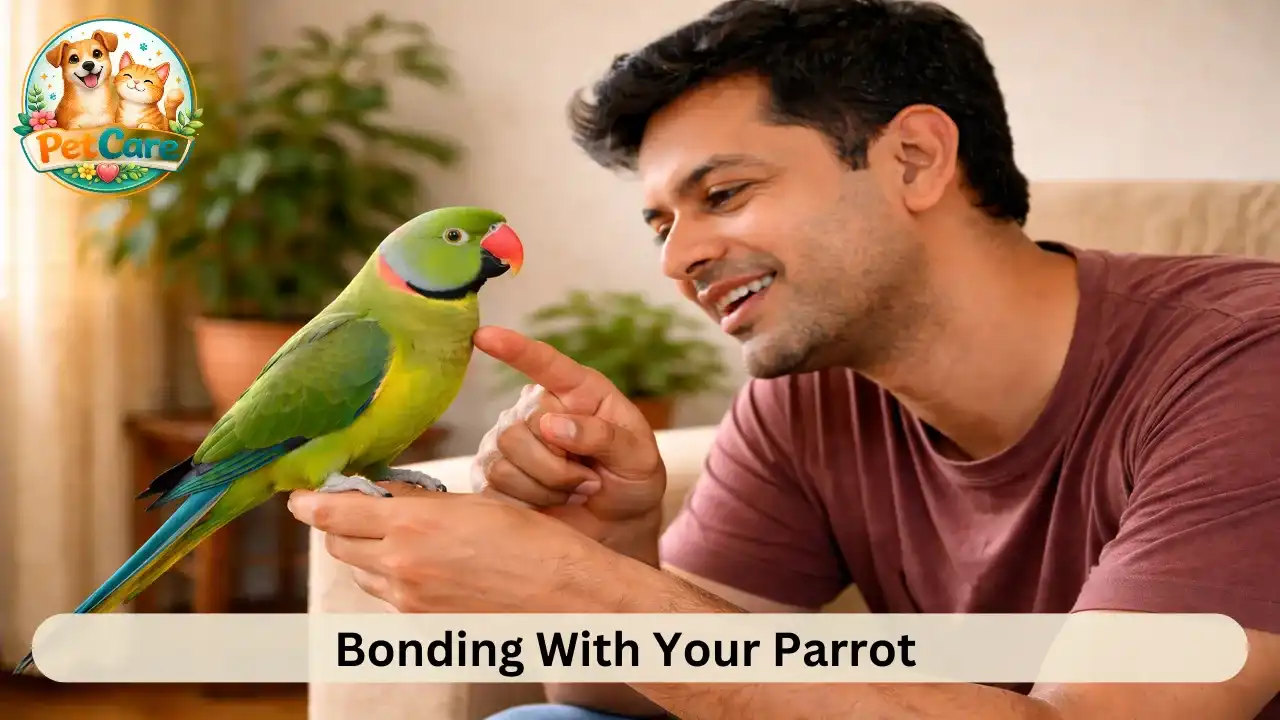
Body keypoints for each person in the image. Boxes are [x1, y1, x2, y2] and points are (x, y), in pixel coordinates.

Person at [287, 0, 1280, 717]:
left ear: (914, 160)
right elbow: (621, 697)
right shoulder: (809, 397)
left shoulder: (1246, 362)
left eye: (722, 195)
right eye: (660, 225)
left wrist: (588, 590)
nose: (676, 261)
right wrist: (610, 546)